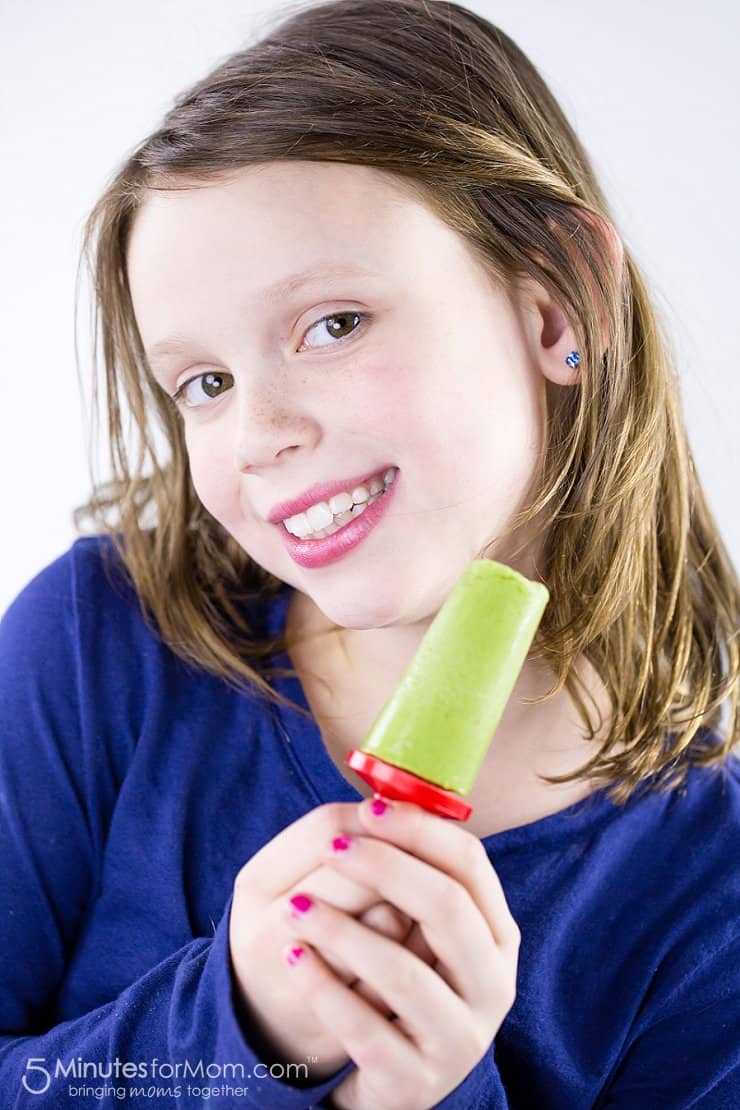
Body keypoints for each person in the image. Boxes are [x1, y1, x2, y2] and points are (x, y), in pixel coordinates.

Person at [1, 0, 738, 1106]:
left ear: (557, 306)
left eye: (333, 324)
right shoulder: (97, 644)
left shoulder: (711, 896)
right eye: (205, 382)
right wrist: (240, 1029)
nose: (258, 434)